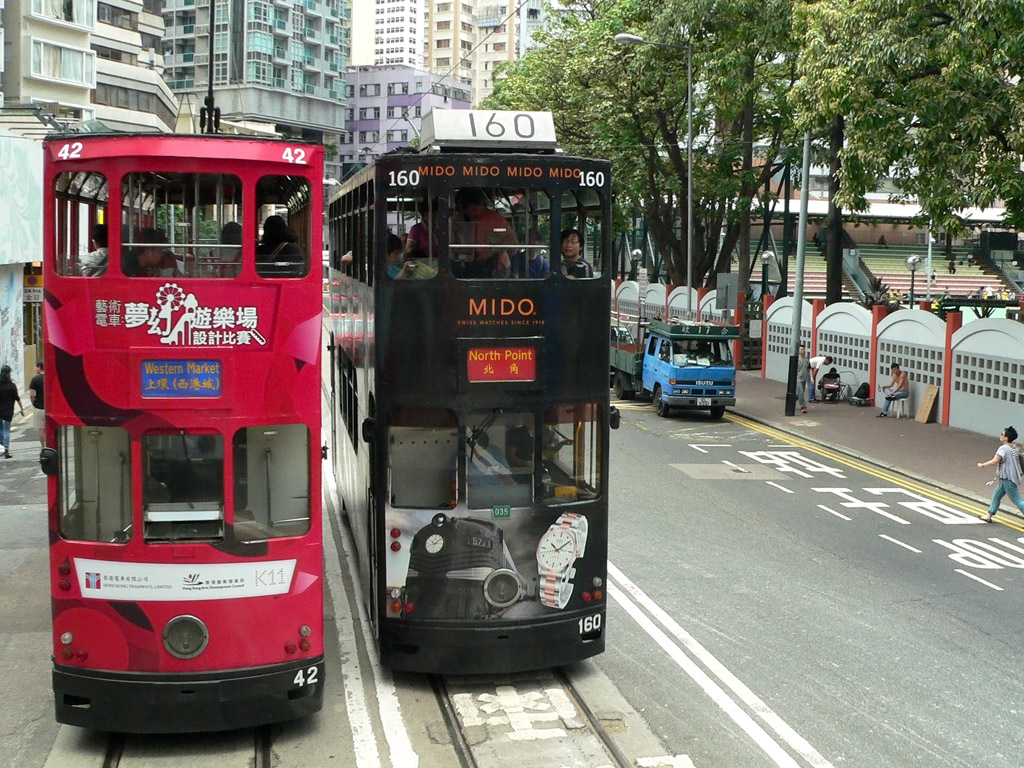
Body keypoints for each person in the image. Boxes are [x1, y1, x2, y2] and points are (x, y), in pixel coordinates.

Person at [452, 188, 517, 278]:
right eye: (469, 212)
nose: (472, 214)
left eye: (474, 210)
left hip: (497, 268)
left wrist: (492, 251)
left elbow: (512, 242)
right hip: (482, 266)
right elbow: (476, 248)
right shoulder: (476, 221)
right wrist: (455, 250)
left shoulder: (494, 219)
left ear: (481, 203)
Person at [976, 426, 1024, 522]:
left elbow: (995, 461)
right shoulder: (1015, 447)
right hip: (1007, 478)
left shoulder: (1004, 448)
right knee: (996, 495)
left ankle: (989, 515)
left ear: (1006, 438)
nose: (1001, 436)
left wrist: (982, 465)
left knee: (1017, 500)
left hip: (1008, 478)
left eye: (1002, 434)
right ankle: (989, 515)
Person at [0, 365, 24, 459]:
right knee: (6, 431)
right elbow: (17, 398)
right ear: (9, 374)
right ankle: (6, 450)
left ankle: (1, 447)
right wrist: (22, 409)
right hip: (8, 411)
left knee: (0, 430)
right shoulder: (12, 386)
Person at [28, 361, 43, 447]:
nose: (35, 368)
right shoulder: (49, 377)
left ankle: (44, 446)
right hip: (49, 407)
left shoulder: (35, 379)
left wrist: (33, 402)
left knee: (41, 428)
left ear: (39, 367)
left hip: (39, 407)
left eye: (36, 367)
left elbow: (32, 394)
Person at [794, 344, 810, 414]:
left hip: (804, 379)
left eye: (804, 349)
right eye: (802, 349)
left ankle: (791, 401)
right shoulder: (797, 360)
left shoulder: (806, 359)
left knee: (799, 394)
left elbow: (809, 368)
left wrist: (811, 377)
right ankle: (803, 406)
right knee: (800, 393)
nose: (803, 351)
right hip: (798, 378)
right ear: (798, 351)